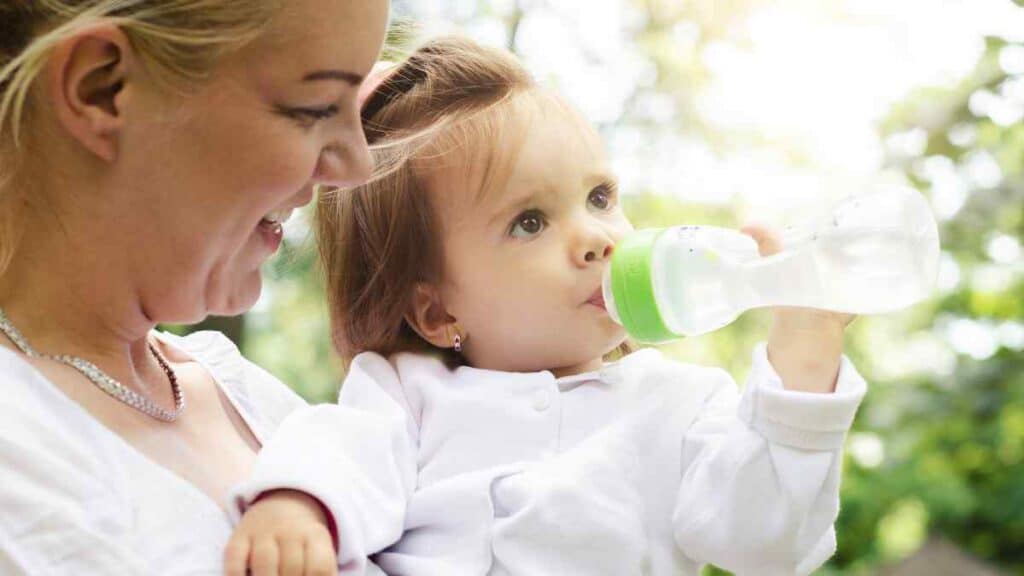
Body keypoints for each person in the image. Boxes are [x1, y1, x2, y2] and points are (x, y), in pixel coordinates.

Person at [227, 37, 868, 576]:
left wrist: (804, 370)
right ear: (436, 313)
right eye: (530, 222)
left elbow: (766, 540)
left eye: (599, 197)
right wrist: (298, 504)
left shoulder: (680, 403)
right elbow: (342, 452)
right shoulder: (405, 395)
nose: (596, 239)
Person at [0, 1, 389, 573]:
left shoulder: (246, 394)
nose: (357, 166)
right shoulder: (20, 443)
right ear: (102, 88)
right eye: (315, 108)